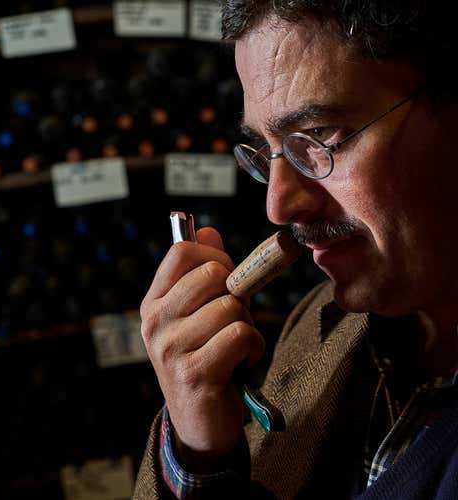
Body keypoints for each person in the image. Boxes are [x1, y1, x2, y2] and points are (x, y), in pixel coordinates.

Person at [134, 1, 458, 498]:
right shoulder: (315, 321)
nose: (279, 205)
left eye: (319, 136)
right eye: (267, 152)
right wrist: (202, 455)